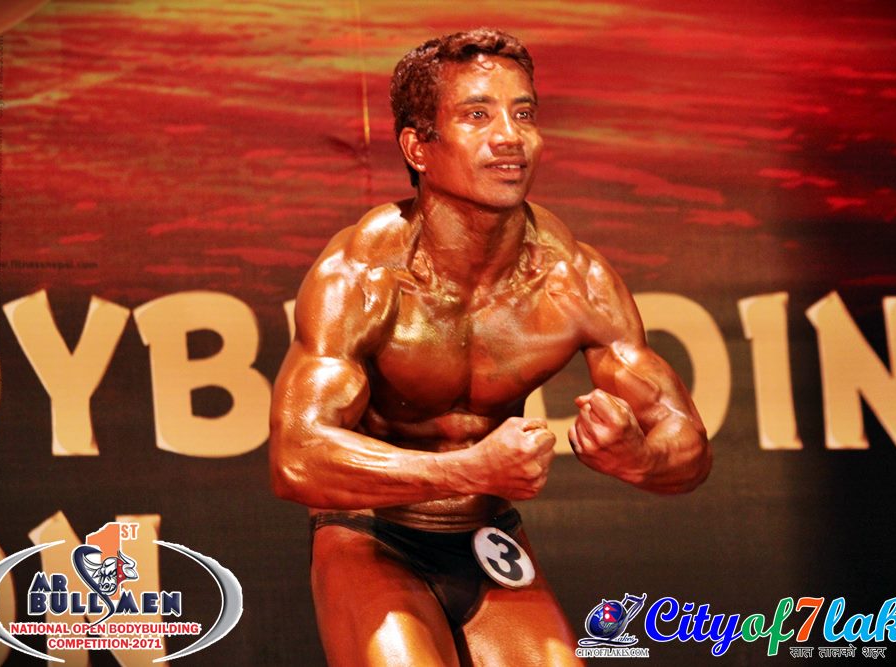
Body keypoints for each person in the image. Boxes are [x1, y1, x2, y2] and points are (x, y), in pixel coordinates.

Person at [270, 28, 711, 666]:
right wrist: (468, 471)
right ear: (418, 147)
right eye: (478, 115)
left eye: (523, 114)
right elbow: (295, 457)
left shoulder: (574, 279)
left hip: (488, 535)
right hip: (369, 533)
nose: (510, 136)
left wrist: (642, 458)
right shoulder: (361, 275)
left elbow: (688, 447)